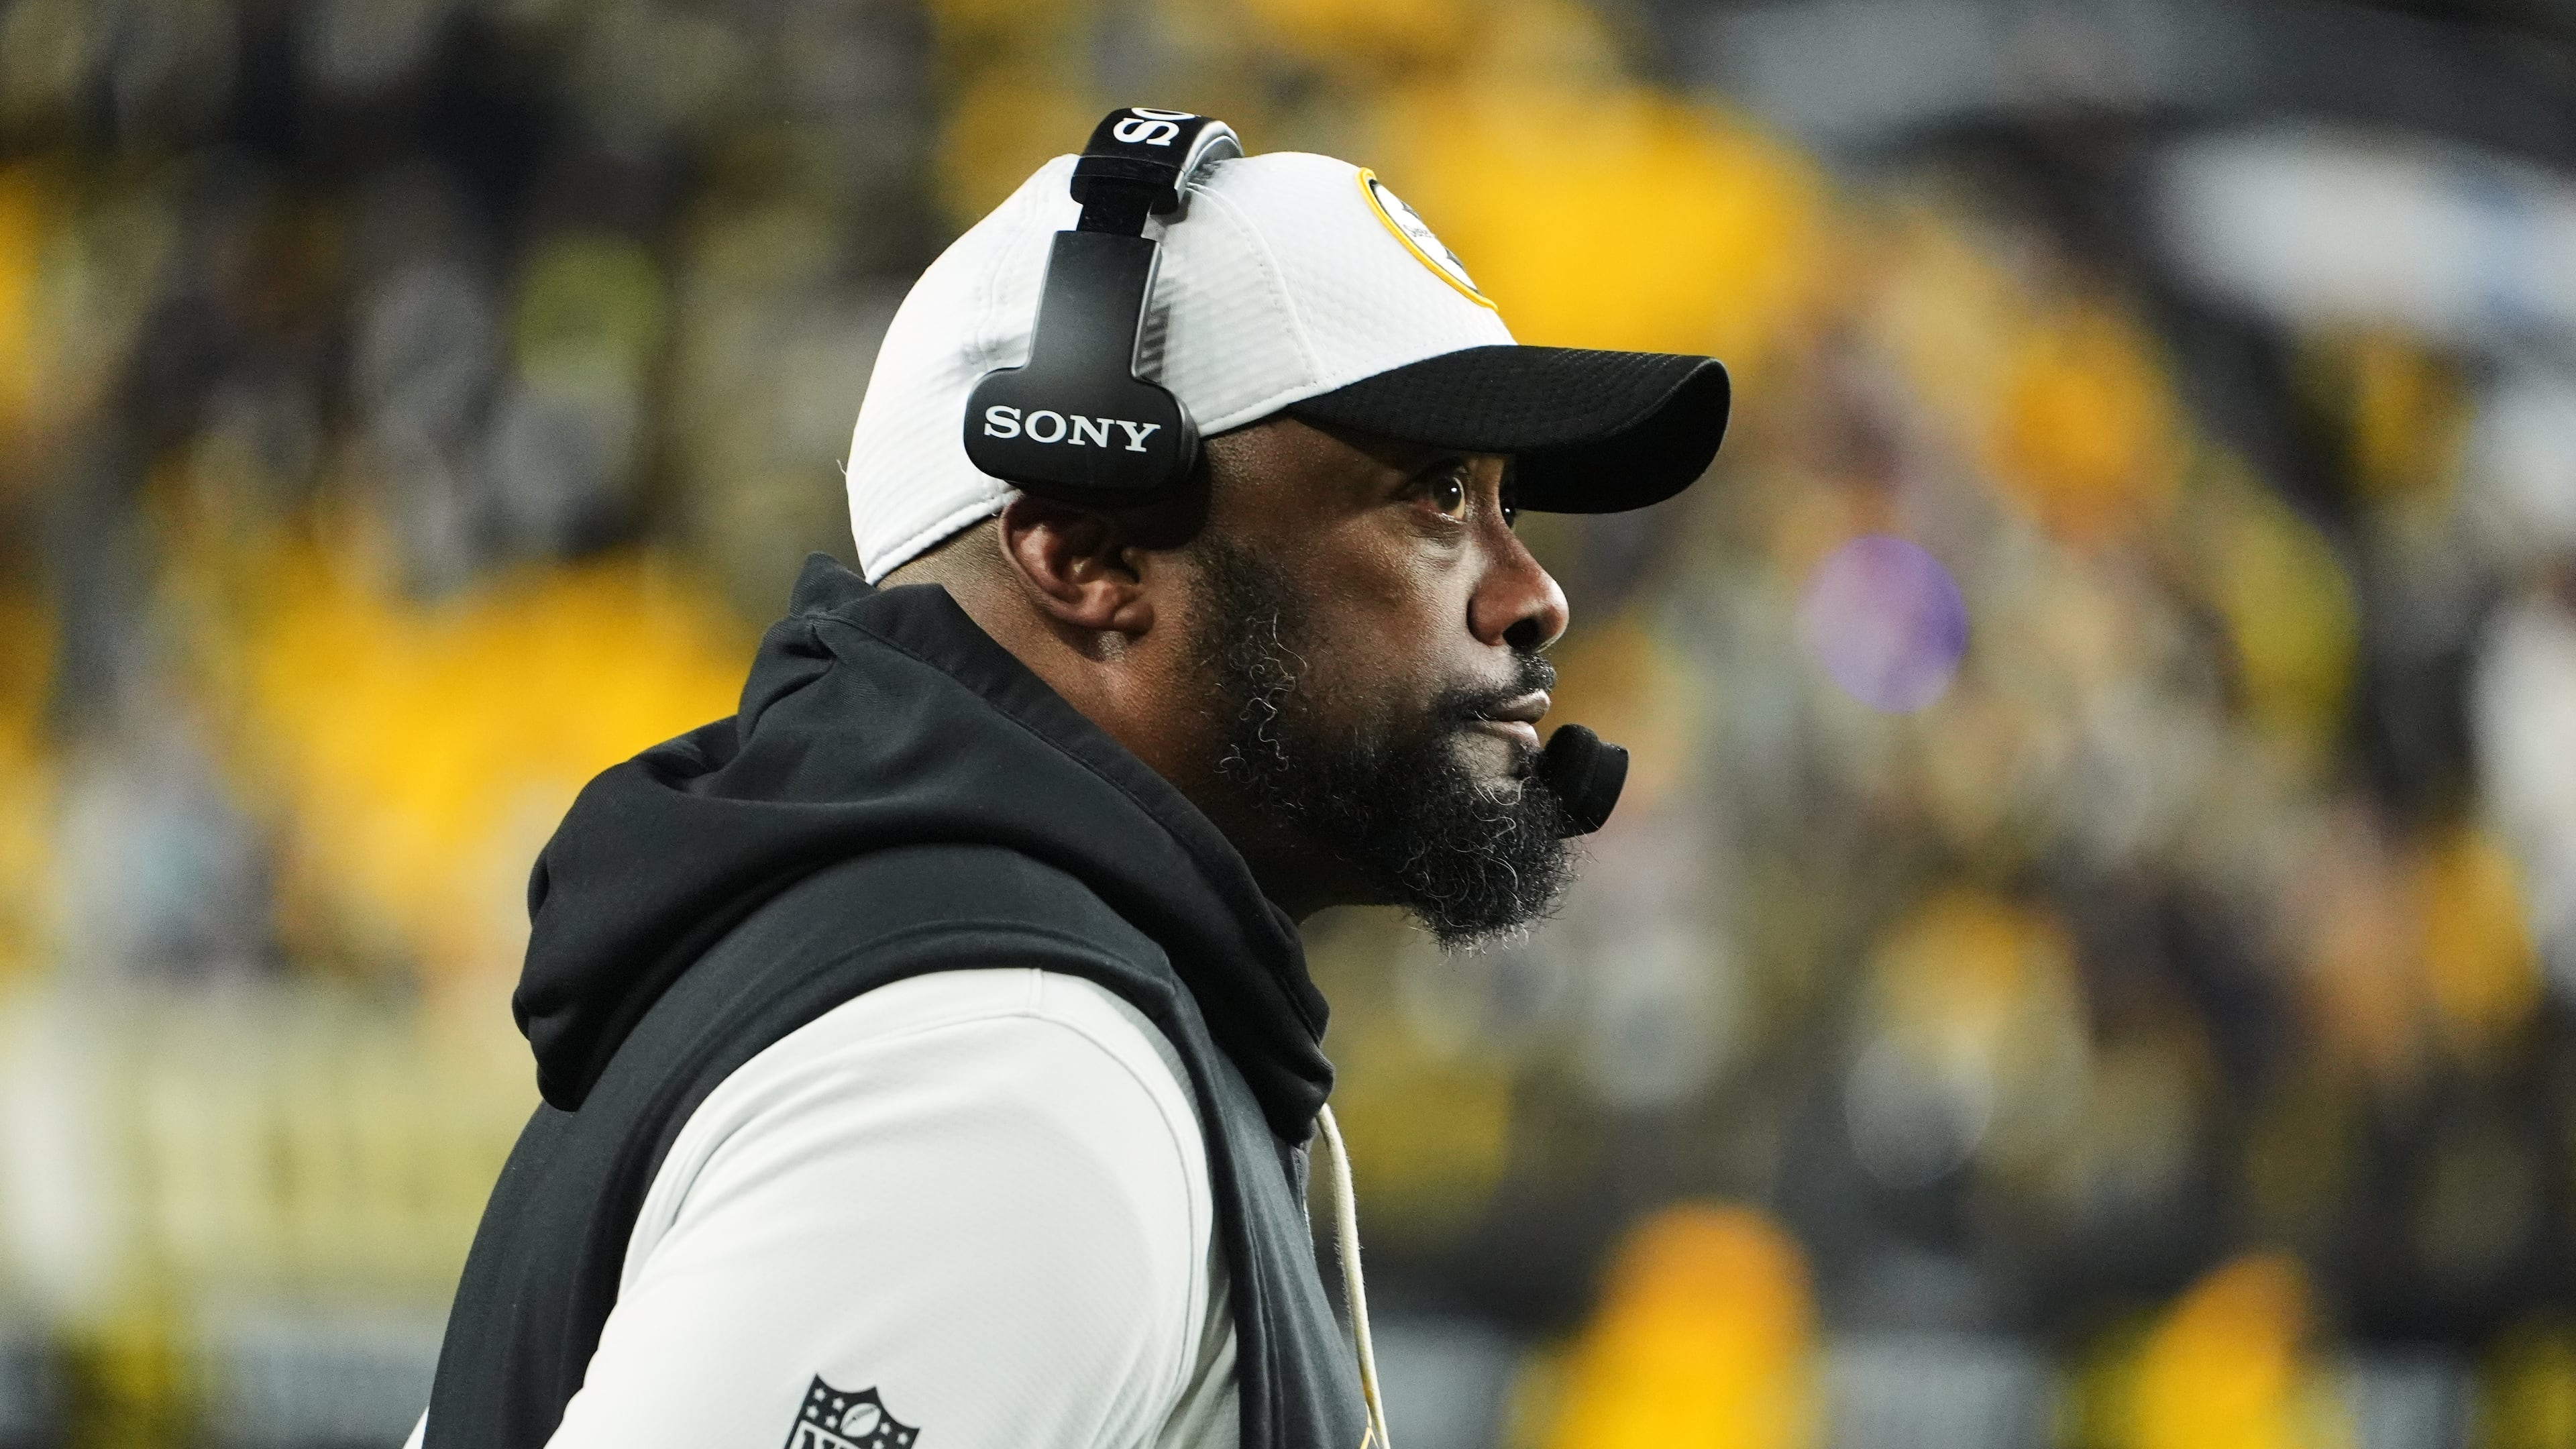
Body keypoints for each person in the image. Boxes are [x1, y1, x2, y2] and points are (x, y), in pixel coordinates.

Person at [408, 115, 1728, 1449]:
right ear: (1084, 552)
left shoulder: (922, 985)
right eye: (1439, 496)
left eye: (1510, 504)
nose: (1534, 593)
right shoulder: (1009, 1073)